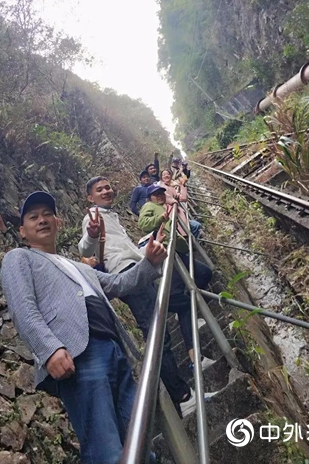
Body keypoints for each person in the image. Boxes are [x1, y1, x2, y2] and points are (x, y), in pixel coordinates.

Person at [0, 191, 167, 464]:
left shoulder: (80, 267)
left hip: (114, 349)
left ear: (58, 222)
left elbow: (119, 284)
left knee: (139, 442)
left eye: (47, 215)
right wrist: (49, 349)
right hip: (79, 354)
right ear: (22, 231)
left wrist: (149, 262)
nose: (41, 220)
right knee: (107, 450)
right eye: (33, 217)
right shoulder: (19, 258)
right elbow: (22, 308)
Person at [78, 177, 205, 417]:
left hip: (135, 270)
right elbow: (85, 247)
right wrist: (92, 235)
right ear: (89, 197)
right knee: (157, 333)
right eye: (99, 189)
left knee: (162, 325)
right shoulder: (92, 218)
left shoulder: (110, 215)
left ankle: (181, 395)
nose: (106, 190)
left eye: (108, 186)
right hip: (126, 273)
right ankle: (182, 397)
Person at [138, 184, 214, 371]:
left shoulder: (166, 205)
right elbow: (143, 224)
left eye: (160, 193)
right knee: (182, 297)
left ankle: (191, 316)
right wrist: (161, 217)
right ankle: (194, 358)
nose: (159, 196)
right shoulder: (149, 207)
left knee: (203, 274)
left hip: (177, 252)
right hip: (168, 256)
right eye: (155, 195)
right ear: (149, 198)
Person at [158, 169, 202, 239]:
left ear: (171, 176)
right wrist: (174, 202)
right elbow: (167, 198)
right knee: (191, 228)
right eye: (164, 175)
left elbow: (183, 198)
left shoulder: (171, 188)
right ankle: (189, 244)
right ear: (161, 178)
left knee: (196, 225)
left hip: (178, 215)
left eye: (168, 174)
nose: (166, 176)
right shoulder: (160, 187)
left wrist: (182, 185)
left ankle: (191, 243)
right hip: (170, 215)